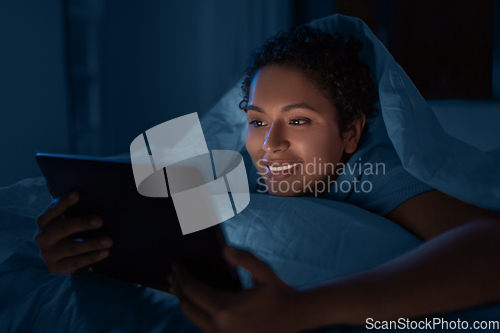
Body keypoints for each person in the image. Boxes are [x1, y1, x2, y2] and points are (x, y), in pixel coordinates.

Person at [35, 26, 500, 332]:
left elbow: (489, 248)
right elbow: (154, 218)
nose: (270, 144)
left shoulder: (373, 172)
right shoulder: (238, 159)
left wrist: (302, 309)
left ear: (351, 132)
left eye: (298, 121)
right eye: (257, 121)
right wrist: (81, 247)